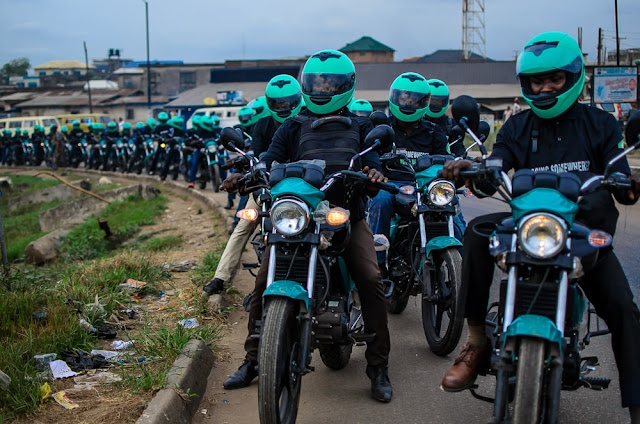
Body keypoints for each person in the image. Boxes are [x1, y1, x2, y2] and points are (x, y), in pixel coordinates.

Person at [440, 31, 640, 423]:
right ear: (525, 84)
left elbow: (620, 177)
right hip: (530, 228)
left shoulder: (600, 125)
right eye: (536, 80)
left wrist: (628, 183)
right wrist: (473, 171)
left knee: (624, 309)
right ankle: (477, 341)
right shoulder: (517, 127)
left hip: (583, 233)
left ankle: (636, 403)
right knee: (478, 233)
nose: (545, 87)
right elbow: (497, 162)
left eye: (554, 79)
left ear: (572, 78)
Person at [221, 50, 393, 402]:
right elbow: (269, 158)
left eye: (330, 83)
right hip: (297, 219)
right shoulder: (293, 125)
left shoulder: (360, 126)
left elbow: (372, 164)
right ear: (306, 85)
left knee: (371, 279)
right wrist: (248, 172)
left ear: (346, 86)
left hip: (345, 215)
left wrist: (372, 174)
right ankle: (254, 359)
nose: (322, 89)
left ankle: (378, 366)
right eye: (316, 82)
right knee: (263, 280)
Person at [203, 74, 303, 295]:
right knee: (244, 225)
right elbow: (259, 158)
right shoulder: (263, 125)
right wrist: (243, 174)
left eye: (287, 102)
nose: (283, 107)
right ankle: (221, 277)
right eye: (278, 103)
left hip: (304, 187)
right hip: (269, 185)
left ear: (298, 100)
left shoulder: (306, 121)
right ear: (269, 103)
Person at [368, 72, 455, 270]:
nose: (408, 104)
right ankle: (377, 262)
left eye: (415, 100)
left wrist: (454, 166)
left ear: (424, 103)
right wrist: (376, 172)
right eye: (403, 98)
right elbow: (371, 155)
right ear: (393, 98)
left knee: (453, 205)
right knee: (380, 199)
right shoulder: (384, 128)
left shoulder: (434, 131)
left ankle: (460, 255)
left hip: (425, 187)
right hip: (391, 184)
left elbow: (447, 158)